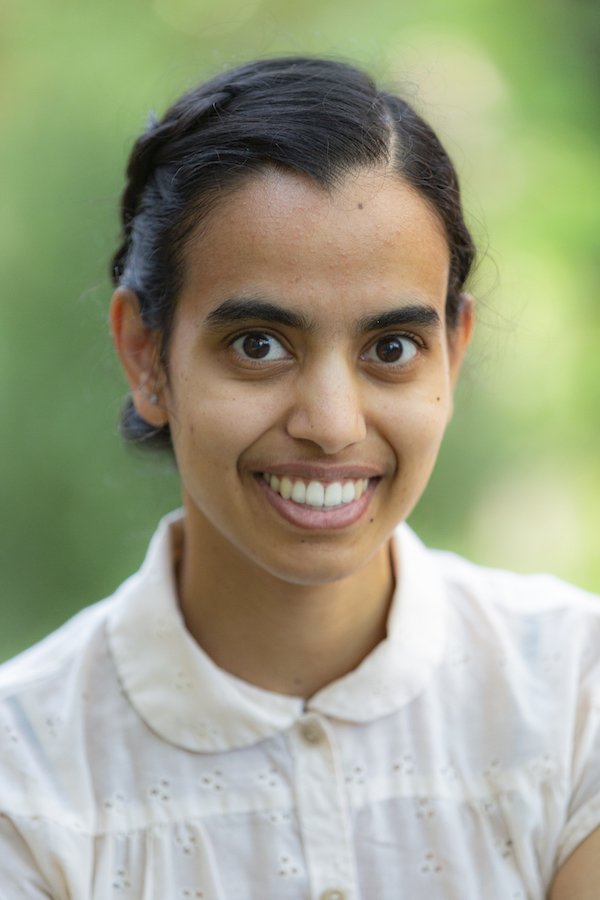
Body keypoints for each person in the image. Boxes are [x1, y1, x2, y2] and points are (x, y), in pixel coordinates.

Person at [0, 56, 598, 900]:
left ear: (452, 356)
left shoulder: (577, 696)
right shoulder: (24, 782)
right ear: (147, 355)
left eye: (391, 350)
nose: (332, 424)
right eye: (258, 344)